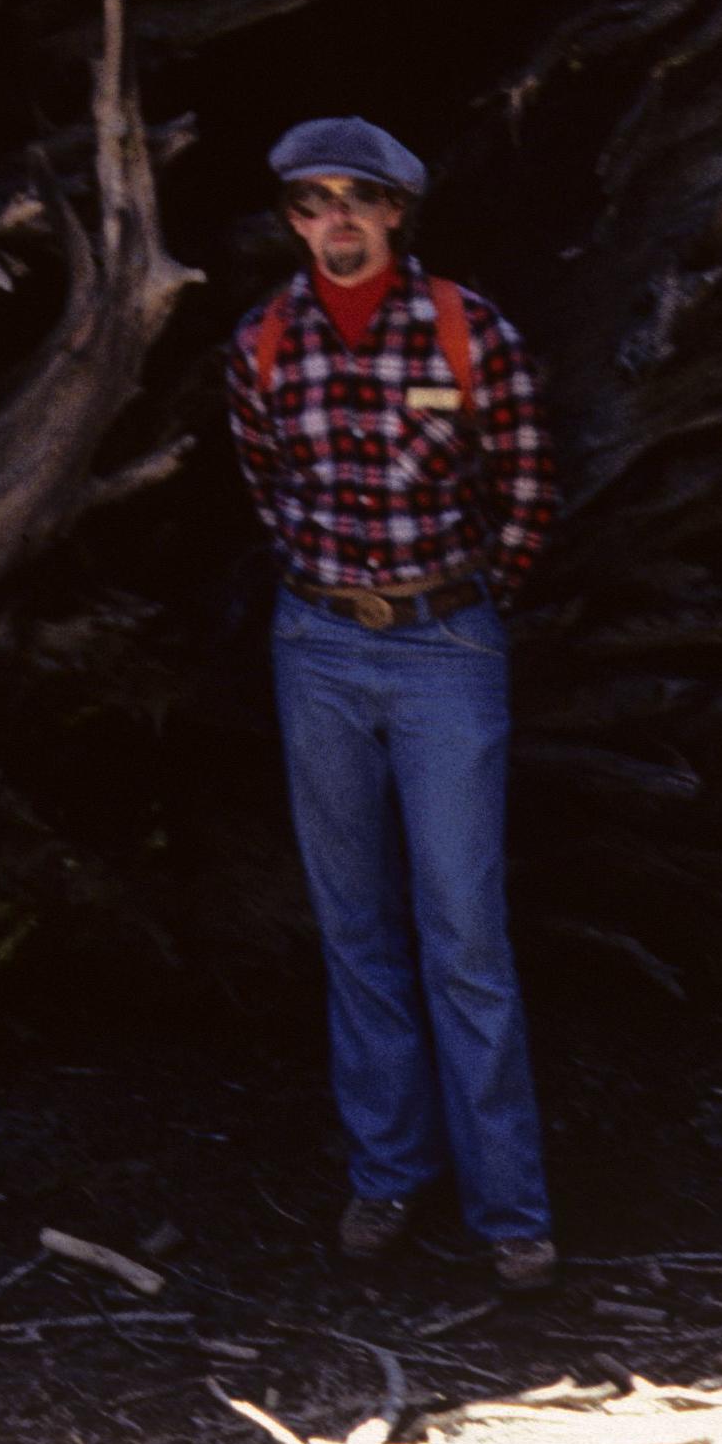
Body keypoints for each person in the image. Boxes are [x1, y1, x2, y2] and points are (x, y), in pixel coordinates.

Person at [221, 113, 558, 1292]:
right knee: (353, 924)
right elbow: (266, 483)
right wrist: (325, 597)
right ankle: (386, 1174)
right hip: (315, 645)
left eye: (355, 199)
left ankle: (510, 1208)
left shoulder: (466, 329)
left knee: (463, 928)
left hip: (443, 647)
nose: (336, 222)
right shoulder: (263, 340)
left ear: (396, 212)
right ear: (293, 221)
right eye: (311, 203)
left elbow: (525, 482)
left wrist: (467, 600)